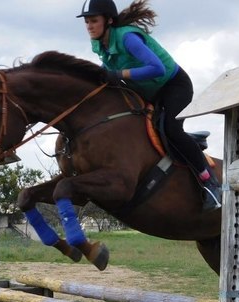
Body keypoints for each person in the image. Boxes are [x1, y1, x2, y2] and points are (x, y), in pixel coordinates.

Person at [77, 0, 222, 211]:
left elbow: (157, 68)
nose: (89, 26)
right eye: (87, 22)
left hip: (175, 86)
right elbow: (108, 66)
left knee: (171, 129)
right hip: (151, 91)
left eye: (93, 21)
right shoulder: (99, 44)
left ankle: (210, 183)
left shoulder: (127, 38)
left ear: (108, 21)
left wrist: (120, 75)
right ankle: (189, 142)